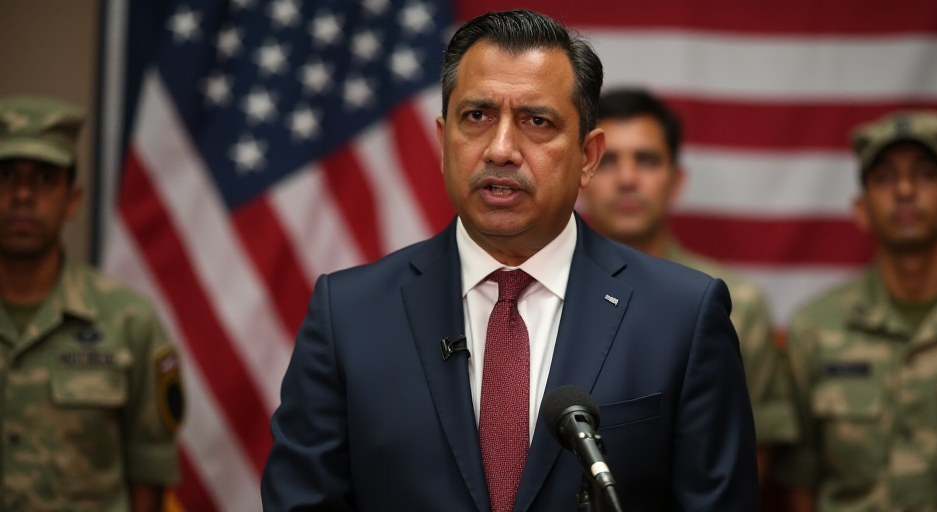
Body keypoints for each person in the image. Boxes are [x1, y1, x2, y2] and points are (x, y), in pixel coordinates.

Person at [262, 9, 758, 512]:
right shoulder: (347, 314)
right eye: (477, 117)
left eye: (536, 121)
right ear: (443, 141)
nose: (500, 150)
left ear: (588, 157)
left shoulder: (682, 316)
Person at [774, 110, 937, 512]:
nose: (905, 190)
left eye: (925, 175)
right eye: (884, 178)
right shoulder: (815, 329)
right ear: (861, 209)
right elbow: (800, 481)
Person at [580, 89, 797, 480]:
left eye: (646, 160)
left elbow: (749, 453)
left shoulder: (735, 303)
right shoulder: (549, 292)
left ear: (676, 181)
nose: (627, 179)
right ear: (582, 175)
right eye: (609, 161)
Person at [0, 95, 182, 512]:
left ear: (72, 199)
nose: (23, 194)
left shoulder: (129, 320)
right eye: (5, 175)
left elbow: (149, 472)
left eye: (44, 178)